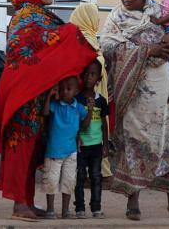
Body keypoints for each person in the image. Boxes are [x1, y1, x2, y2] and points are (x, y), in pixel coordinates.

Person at [0, 0, 96, 222]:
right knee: (21, 147)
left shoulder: (36, 15)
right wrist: (71, 33)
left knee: (31, 148)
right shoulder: (27, 17)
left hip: (33, 92)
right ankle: (19, 205)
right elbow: (38, 48)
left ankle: (27, 201)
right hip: (22, 92)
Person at [99, 0, 169, 221]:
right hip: (136, 94)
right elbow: (107, 47)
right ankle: (133, 201)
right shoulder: (116, 19)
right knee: (136, 141)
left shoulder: (162, 12)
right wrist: (148, 50)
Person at [69, 3, 114, 182]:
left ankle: (97, 173)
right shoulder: (82, 40)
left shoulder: (90, 39)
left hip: (96, 96)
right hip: (85, 99)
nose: (97, 20)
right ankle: (95, 175)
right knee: (89, 132)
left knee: (96, 131)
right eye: (94, 16)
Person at [42, 76, 92, 219]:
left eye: (69, 89)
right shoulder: (55, 105)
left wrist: (89, 110)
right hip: (54, 151)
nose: (64, 91)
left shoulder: (79, 108)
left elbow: (85, 124)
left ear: (76, 91)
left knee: (69, 181)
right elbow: (45, 113)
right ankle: (50, 209)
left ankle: (65, 210)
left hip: (71, 151)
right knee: (51, 181)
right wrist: (49, 96)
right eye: (62, 88)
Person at [73, 61, 109, 219]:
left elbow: (104, 124)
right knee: (80, 177)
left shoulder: (101, 101)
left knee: (96, 176)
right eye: (86, 74)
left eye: (92, 74)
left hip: (96, 146)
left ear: (98, 79)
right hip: (81, 146)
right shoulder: (77, 99)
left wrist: (106, 145)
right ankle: (79, 208)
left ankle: (96, 207)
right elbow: (75, 123)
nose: (89, 77)